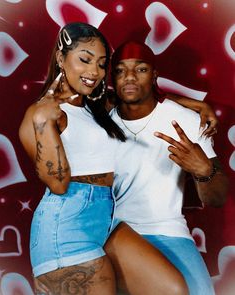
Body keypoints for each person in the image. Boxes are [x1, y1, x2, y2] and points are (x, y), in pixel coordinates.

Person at [19, 23, 192, 295]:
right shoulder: (41, 114)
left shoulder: (95, 107)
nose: (94, 72)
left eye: (101, 65)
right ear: (61, 58)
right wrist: (44, 121)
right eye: (85, 60)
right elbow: (58, 185)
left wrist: (198, 105)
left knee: (172, 289)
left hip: (106, 218)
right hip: (66, 227)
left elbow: (140, 99)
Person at [104, 41, 229, 295]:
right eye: (120, 70)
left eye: (141, 69)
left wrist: (204, 171)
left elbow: (219, 197)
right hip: (112, 232)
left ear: (154, 75)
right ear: (112, 78)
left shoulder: (186, 120)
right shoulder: (100, 122)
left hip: (167, 229)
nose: (129, 77)